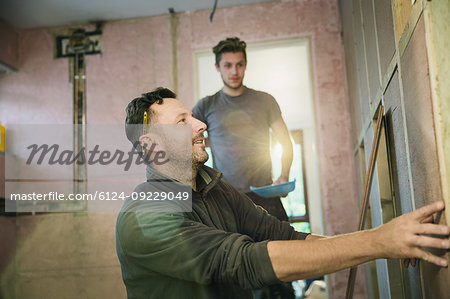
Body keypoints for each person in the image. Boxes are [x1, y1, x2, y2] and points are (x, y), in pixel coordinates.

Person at [116, 87, 450, 299]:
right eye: (182, 121)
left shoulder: (215, 189)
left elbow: (286, 238)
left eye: (194, 116)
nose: (200, 124)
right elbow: (245, 262)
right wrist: (380, 241)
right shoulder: (145, 215)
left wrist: (384, 243)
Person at [192, 37, 293, 222]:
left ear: (245, 65)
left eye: (239, 65)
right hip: (225, 199)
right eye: (227, 65)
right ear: (217, 67)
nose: (234, 71)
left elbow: (285, 142)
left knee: (287, 246)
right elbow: (186, 144)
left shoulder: (265, 101)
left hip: (266, 196)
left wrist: (284, 175)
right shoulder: (205, 106)